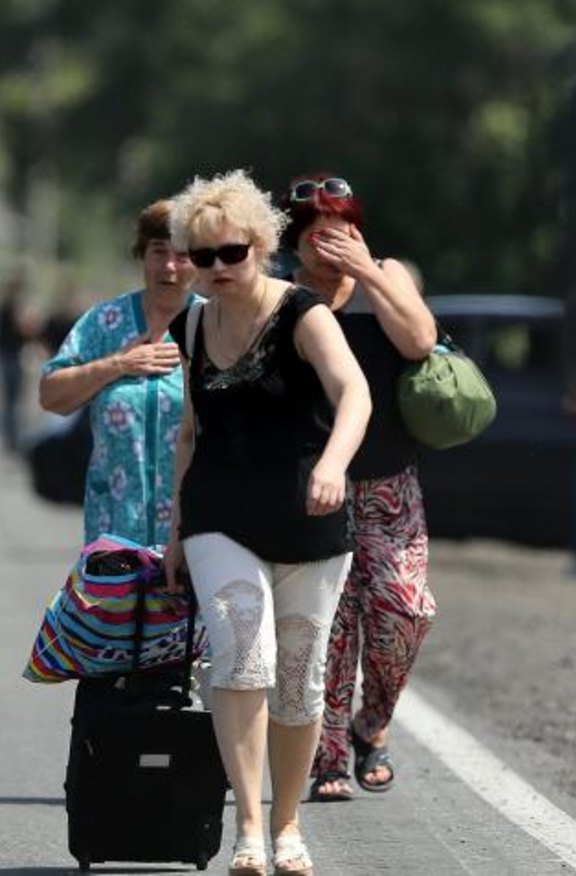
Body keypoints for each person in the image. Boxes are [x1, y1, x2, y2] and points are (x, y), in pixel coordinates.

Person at [164, 169, 371, 876]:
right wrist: (174, 530)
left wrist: (335, 465)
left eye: (232, 253)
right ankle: (248, 827)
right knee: (240, 650)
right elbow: (190, 434)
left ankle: (288, 826)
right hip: (221, 513)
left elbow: (355, 395)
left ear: (261, 244)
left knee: (299, 678)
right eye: (203, 257)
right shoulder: (190, 322)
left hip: (308, 512)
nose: (218, 269)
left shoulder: (302, 313)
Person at [279, 172, 438, 802]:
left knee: (404, 611)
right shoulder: (285, 297)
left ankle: (374, 720)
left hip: (391, 485)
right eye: (318, 236)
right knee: (332, 626)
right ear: (296, 243)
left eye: (341, 232)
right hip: (315, 484)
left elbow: (420, 341)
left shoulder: (386, 278)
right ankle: (328, 758)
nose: (331, 246)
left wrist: (367, 272)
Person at [38, 199, 198, 546]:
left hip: (194, 533)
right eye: (158, 251)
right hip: (115, 529)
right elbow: (50, 395)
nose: (169, 266)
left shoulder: (214, 324)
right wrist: (117, 365)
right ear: (141, 254)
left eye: (182, 255)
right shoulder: (105, 322)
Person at [0, 274, 33, 452]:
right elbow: (24, 329)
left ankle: (11, 437)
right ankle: (12, 439)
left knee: (13, 400)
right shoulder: (12, 307)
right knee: (13, 401)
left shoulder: (8, 306)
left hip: (9, 355)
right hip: (11, 356)